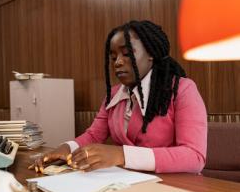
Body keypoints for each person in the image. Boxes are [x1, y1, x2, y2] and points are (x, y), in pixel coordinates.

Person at [31, 20, 207, 174]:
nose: (118, 62)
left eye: (127, 53)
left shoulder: (182, 90)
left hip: (174, 189)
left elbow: (194, 156)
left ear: (151, 54)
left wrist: (122, 154)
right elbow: (93, 135)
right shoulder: (114, 94)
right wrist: (66, 148)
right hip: (126, 186)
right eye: (113, 57)